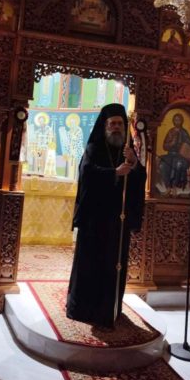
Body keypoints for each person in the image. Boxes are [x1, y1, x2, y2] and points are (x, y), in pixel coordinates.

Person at [66, 104, 146, 328]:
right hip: (95, 221)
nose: (116, 128)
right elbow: (87, 175)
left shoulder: (128, 151)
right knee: (92, 265)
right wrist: (114, 173)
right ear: (105, 126)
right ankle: (84, 308)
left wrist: (135, 164)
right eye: (112, 124)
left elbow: (139, 179)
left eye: (120, 124)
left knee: (115, 265)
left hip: (118, 222)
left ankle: (111, 308)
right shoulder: (94, 148)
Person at [158, 112, 190, 195]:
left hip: (181, 155)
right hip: (171, 154)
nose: (177, 121)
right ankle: (168, 186)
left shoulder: (184, 132)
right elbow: (165, 146)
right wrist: (171, 143)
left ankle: (174, 186)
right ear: (173, 121)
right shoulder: (170, 132)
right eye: (176, 120)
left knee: (178, 164)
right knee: (162, 165)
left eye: (179, 120)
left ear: (181, 121)